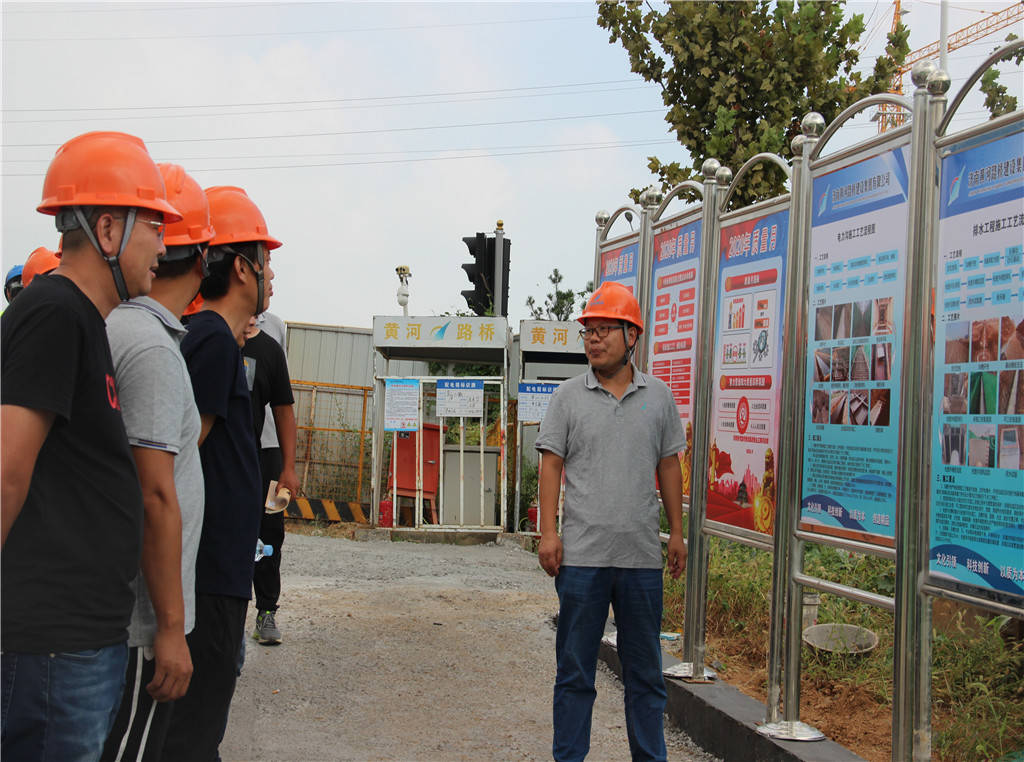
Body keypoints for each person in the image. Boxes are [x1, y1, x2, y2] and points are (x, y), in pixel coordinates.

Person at [1, 130, 181, 760]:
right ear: (108, 230)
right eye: (154, 226)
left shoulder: (85, 322)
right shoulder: (55, 313)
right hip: (54, 646)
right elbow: (7, 473)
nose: (164, 245)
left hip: (78, 643)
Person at [534, 281, 687, 762]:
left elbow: (669, 466)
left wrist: (677, 533)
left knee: (646, 677)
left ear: (631, 335)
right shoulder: (567, 397)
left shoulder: (658, 397)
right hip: (581, 560)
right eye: (589, 331)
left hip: (640, 559)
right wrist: (549, 533)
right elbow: (551, 464)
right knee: (575, 674)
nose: (594, 339)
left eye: (604, 330)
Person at [162, 185, 279, 761]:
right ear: (240, 268)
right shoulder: (210, 338)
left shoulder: (214, 338)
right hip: (208, 578)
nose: (271, 276)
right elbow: (183, 454)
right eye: (266, 262)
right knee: (193, 735)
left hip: (218, 573)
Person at [101, 163, 213, 762]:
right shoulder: (150, 347)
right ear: (204, 258)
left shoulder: (128, 329)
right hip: (141, 628)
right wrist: (168, 628)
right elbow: (155, 494)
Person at [242, 311, 299, 645]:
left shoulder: (274, 328)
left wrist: (287, 465)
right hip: (234, 450)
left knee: (270, 532)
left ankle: (266, 611)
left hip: (270, 449)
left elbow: (282, 398)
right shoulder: (216, 321)